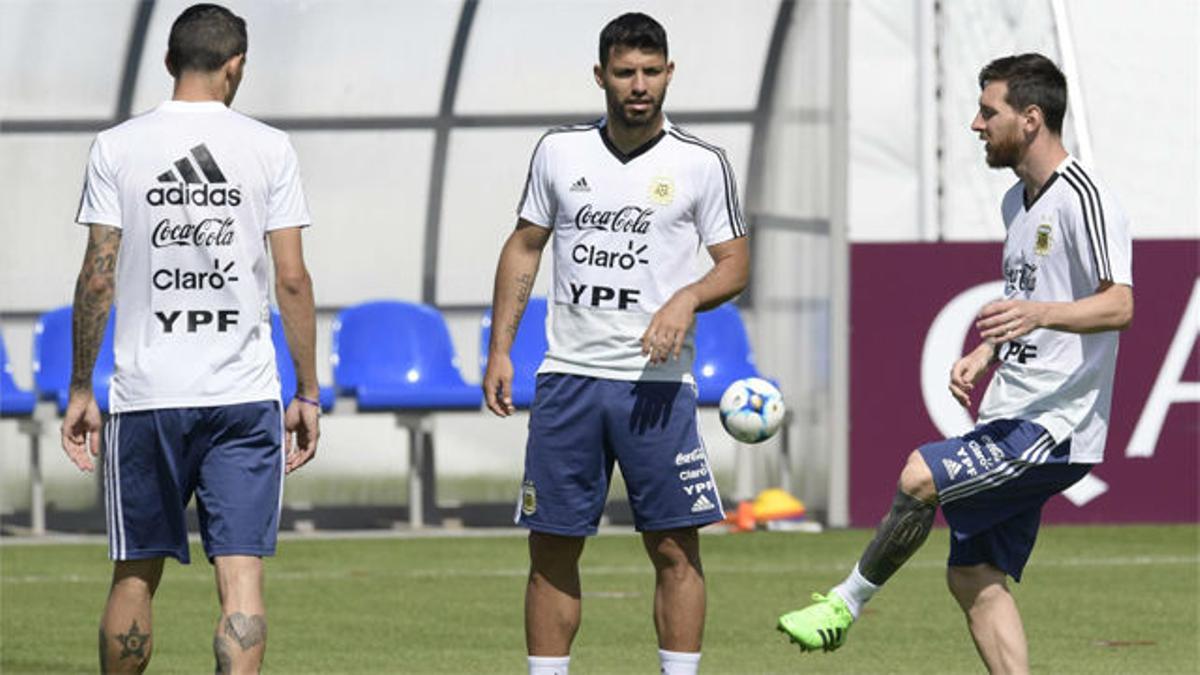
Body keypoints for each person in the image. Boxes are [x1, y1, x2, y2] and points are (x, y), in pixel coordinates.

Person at [776, 52, 1133, 673]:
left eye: (986, 111)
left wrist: (1042, 314)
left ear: (1030, 118)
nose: (975, 124)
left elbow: (1120, 304)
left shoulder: (1086, 197)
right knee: (973, 575)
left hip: (1056, 426)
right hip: (1009, 411)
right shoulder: (1016, 203)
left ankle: (844, 603)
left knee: (920, 475)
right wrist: (987, 349)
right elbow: (1026, 301)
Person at [483, 12, 750, 675]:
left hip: (656, 388)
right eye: (626, 72)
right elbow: (524, 246)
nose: (639, 86)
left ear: (669, 74)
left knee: (675, 550)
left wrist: (686, 298)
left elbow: (735, 264)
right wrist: (499, 348)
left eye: (651, 72)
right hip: (568, 378)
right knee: (551, 549)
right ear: (600, 75)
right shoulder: (558, 152)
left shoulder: (701, 164)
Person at [60, 4, 320, 672]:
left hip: (148, 394)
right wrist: (308, 390)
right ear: (237, 67)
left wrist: (81, 386)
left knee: (134, 574)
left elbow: (97, 277)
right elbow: (291, 279)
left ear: (169, 61)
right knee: (241, 580)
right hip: (243, 394)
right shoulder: (269, 147)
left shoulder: (118, 145)